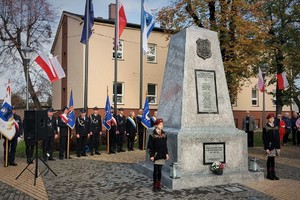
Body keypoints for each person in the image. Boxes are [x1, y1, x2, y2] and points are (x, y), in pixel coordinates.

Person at [147, 118, 169, 192]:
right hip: (156, 155)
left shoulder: (164, 134)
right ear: (156, 125)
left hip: (162, 155)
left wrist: (166, 153)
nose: (161, 126)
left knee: (160, 171)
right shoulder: (152, 134)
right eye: (160, 124)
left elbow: (165, 145)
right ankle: (154, 185)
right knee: (156, 170)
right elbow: (150, 146)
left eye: (162, 124)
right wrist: (151, 155)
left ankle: (158, 185)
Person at [263, 113, 280, 180]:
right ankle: (269, 174)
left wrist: (278, 147)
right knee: (269, 160)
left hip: (275, 145)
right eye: (270, 118)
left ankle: (273, 173)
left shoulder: (275, 126)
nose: (271, 119)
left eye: (272, 118)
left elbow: (278, 137)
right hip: (269, 146)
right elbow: (264, 138)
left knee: (273, 160)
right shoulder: (266, 127)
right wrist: (266, 148)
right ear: (268, 119)